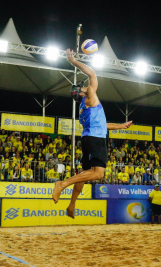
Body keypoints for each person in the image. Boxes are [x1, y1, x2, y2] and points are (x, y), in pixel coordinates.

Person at [52, 49, 132, 219]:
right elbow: (92, 73)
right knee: (99, 173)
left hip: (88, 138)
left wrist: (121, 126)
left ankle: (72, 204)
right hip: (96, 140)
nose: (86, 87)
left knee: (84, 174)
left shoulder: (83, 109)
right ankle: (62, 184)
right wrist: (73, 61)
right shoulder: (89, 98)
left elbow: (103, 125)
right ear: (81, 93)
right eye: (82, 87)